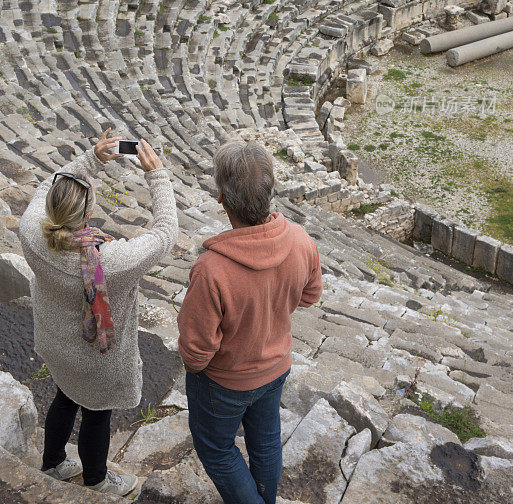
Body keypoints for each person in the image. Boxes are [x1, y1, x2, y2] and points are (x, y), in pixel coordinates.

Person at [18, 130, 179, 497]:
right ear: (88, 214)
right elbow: (166, 232)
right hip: (96, 358)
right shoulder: (111, 260)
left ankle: (54, 464)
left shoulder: (31, 229)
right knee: (96, 413)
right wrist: (157, 174)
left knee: (64, 396)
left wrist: (91, 158)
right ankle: (97, 481)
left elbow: (48, 183)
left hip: (57, 344)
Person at [177, 140, 323, 504]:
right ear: (270, 193)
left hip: (225, 381)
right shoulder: (301, 241)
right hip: (276, 367)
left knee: (217, 450)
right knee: (266, 442)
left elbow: (196, 352)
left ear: (222, 199)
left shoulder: (211, 269)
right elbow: (310, 295)